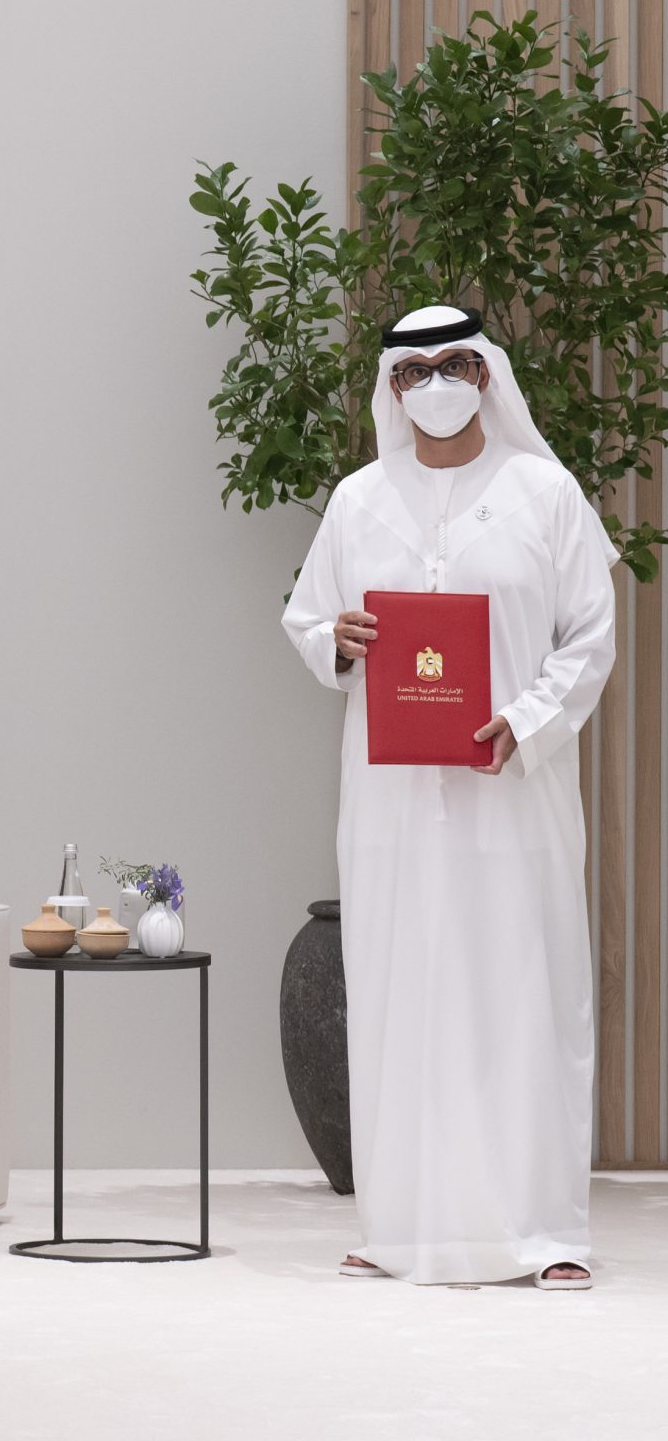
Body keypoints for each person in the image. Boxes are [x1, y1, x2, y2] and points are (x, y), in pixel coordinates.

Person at [281, 303, 614, 1290]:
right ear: (389, 386)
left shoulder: (543, 492)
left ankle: (544, 1228)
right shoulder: (356, 500)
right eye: (412, 367)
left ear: (485, 374)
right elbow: (306, 618)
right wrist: (330, 642)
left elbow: (589, 638)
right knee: (399, 991)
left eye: (453, 362)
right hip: (389, 802)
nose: (433, 381)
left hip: (513, 793)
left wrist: (527, 718)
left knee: (523, 991)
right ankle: (402, 1223)